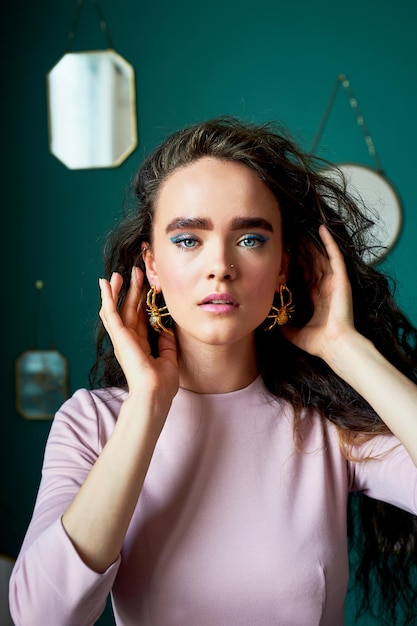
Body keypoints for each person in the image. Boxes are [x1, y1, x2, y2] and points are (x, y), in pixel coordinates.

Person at [9, 117, 417, 626]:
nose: (220, 265)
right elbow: (41, 617)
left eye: (250, 239)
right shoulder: (91, 425)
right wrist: (148, 405)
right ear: (152, 265)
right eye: (187, 240)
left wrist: (345, 347)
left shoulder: (326, 425)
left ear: (283, 265)